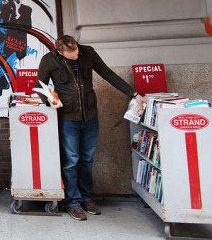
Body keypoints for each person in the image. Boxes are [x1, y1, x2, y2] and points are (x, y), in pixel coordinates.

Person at [35, 35, 145, 221]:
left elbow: (108, 74)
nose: (77, 55)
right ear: (60, 52)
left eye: (77, 50)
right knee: (71, 160)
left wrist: (133, 93)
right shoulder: (49, 60)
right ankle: (73, 202)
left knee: (87, 159)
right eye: (72, 54)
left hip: (90, 115)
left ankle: (87, 198)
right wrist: (49, 100)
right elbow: (40, 84)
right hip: (67, 117)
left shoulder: (88, 53)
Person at [0, 0, 32, 97]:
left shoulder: (27, 9)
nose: (15, 1)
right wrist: (1, 7)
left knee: (11, 65)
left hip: (17, 42)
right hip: (3, 41)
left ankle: (14, 89)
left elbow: (28, 27)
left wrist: (17, 12)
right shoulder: (6, 8)